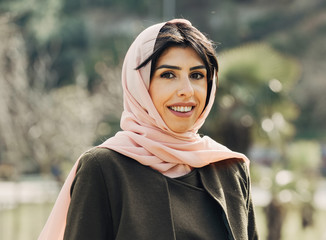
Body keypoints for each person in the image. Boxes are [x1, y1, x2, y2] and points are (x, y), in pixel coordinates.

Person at [39, 18, 258, 240]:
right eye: (168, 75)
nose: (186, 90)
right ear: (140, 85)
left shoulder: (230, 169)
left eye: (197, 75)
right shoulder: (104, 169)